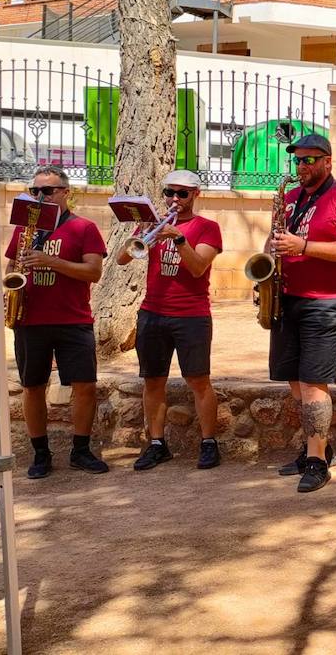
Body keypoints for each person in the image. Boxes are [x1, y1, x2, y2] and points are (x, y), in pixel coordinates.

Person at [267, 134, 336, 493]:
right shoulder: (291, 198)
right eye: (298, 160)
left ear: (328, 161)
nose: (302, 166)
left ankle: (315, 462)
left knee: (313, 384)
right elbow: (277, 245)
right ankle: (320, 448)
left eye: (310, 160)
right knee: (295, 382)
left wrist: (304, 245)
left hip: (327, 302)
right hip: (287, 298)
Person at [114, 170, 225, 472]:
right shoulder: (154, 224)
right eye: (169, 192)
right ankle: (157, 444)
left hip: (191, 315)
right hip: (153, 313)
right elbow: (123, 259)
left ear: (196, 195)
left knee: (198, 380)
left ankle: (208, 443)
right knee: (153, 380)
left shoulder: (207, 228)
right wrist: (140, 232)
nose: (175, 199)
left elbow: (198, 267)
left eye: (182, 193)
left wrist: (178, 239)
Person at [4, 166, 107, 479]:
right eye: (35, 191)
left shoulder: (84, 228)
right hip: (30, 319)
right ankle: (40, 453)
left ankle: (81, 450)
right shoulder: (25, 229)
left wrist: (52, 261)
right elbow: (11, 267)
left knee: (85, 387)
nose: (40, 197)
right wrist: (11, 285)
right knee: (33, 387)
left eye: (47, 191)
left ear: (65, 192)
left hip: (72, 319)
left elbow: (93, 272)